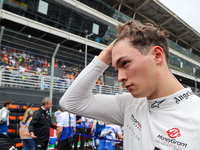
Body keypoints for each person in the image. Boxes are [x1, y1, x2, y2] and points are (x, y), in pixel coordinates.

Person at [60, 20, 200, 150]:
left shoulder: (196, 116)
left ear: (157, 55)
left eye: (125, 63)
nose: (120, 77)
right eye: (116, 69)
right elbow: (71, 102)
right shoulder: (129, 105)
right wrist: (107, 53)